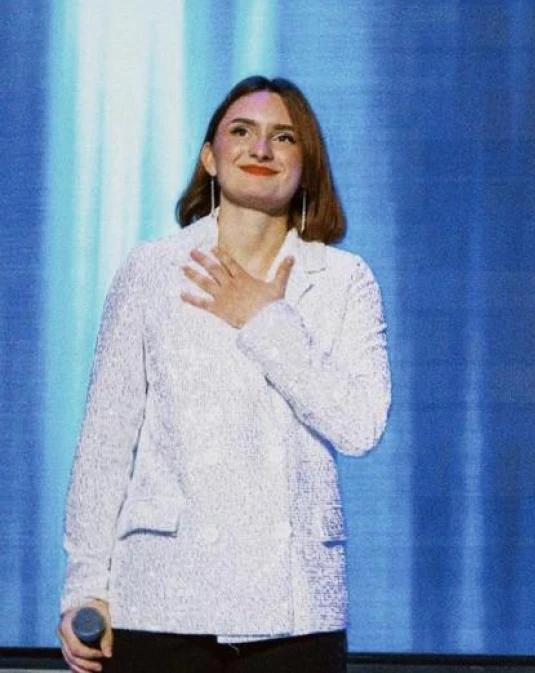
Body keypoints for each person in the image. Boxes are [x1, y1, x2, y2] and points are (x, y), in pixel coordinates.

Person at [56, 76, 391, 673]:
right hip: (162, 597)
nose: (260, 149)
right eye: (242, 131)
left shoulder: (343, 280)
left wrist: (265, 319)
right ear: (210, 157)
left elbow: (360, 426)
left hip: (295, 610)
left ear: (306, 165)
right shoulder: (152, 270)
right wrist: (86, 585)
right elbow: (106, 443)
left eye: (283, 137)